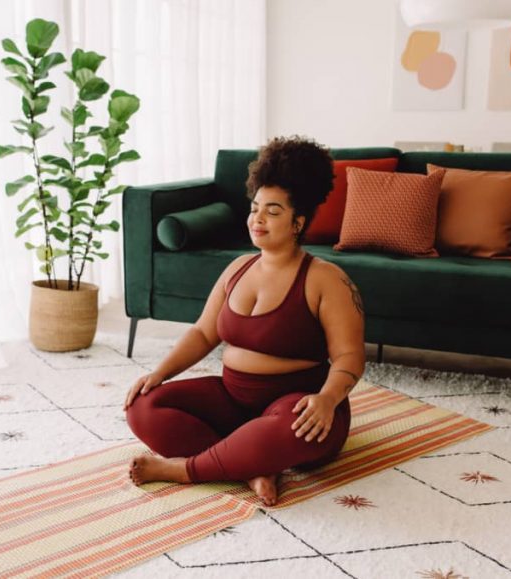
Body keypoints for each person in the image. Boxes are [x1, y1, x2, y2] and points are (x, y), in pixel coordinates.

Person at [123, 135, 366, 507]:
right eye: (255, 208)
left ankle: (183, 470)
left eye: (273, 211)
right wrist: (160, 373)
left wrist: (326, 400)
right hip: (233, 399)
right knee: (143, 406)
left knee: (289, 432)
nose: (258, 219)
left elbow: (350, 357)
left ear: (298, 221)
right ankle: (251, 467)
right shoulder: (237, 268)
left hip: (297, 405)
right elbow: (204, 332)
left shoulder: (326, 279)